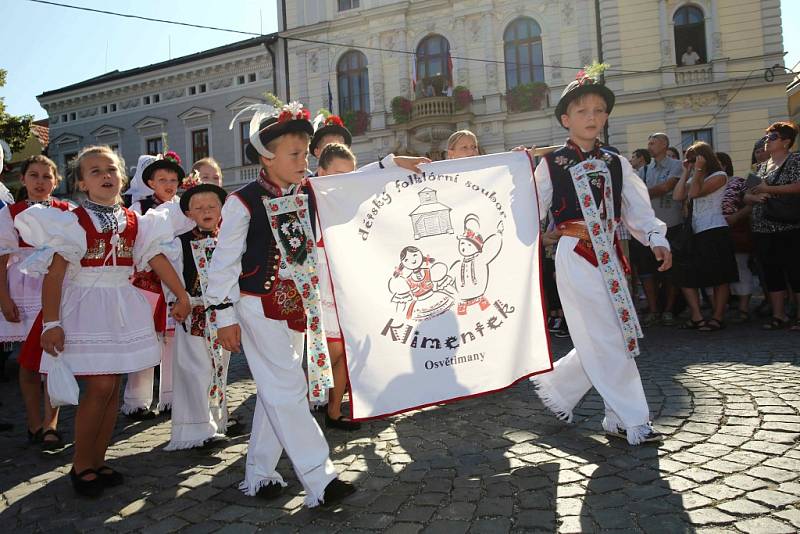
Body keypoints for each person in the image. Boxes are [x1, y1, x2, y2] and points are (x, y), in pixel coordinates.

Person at [14, 145, 190, 497]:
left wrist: (181, 294)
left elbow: (154, 257)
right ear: (81, 182)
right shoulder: (71, 222)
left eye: (110, 169)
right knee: (99, 386)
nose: (105, 175)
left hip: (121, 305)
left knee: (111, 389)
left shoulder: (137, 221)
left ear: (122, 178)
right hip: (85, 307)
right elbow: (54, 275)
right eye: (94, 171)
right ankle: (81, 463)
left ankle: (98, 457)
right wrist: (51, 323)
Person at [206, 102, 355, 506]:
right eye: (295, 154)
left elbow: (354, 186)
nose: (304, 161)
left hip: (296, 307)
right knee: (289, 389)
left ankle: (260, 472)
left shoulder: (309, 191)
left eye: (306, 153)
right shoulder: (243, 201)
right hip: (256, 305)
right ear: (266, 156)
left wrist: (393, 162)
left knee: (278, 390)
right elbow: (222, 264)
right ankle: (320, 479)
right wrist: (223, 316)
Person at [530, 67, 671, 445]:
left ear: (606, 116)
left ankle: (561, 387)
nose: (591, 117)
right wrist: (516, 172)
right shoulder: (551, 164)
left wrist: (656, 238)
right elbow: (529, 209)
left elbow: (636, 209)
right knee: (609, 336)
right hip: (575, 254)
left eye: (598, 110)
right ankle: (633, 418)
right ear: (565, 119)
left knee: (612, 335)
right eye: (581, 111)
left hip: (612, 256)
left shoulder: (615, 161)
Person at [1, 156, 71, 451]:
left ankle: (51, 423)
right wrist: (3, 297)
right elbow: (2, 256)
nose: (40, 181)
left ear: (55, 181)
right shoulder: (10, 212)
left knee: (53, 356)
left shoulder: (67, 211)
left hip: (55, 286)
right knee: (27, 360)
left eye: (46, 176)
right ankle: (34, 422)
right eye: (34, 175)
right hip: (23, 287)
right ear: (24, 180)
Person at [165, 174, 233, 450]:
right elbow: (170, 277)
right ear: (189, 213)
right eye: (199, 207)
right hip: (193, 315)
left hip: (223, 317)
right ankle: (195, 428)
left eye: (212, 206)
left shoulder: (229, 239)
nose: (206, 212)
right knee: (195, 369)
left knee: (219, 367)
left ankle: (217, 420)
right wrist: (179, 300)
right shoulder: (178, 243)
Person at [124, 152, 186, 419]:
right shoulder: (140, 208)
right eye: (162, 179)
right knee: (147, 339)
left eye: (173, 179)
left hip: (176, 279)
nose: (169, 184)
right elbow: (136, 242)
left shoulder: (184, 207)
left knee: (173, 340)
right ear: (150, 182)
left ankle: (171, 399)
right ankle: (137, 400)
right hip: (147, 282)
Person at [312, 143, 361, 431]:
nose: (345, 180)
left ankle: (333, 411)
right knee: (328, 352)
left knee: (344, 350)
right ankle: (309, 405)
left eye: (350, 174)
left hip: (343, 281)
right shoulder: (308, 198)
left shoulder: (351, 203)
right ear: (321, 172)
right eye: (338, 174)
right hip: (319, 283)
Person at [672, 142, 738, 331]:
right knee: (686, 274)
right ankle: (697, 316)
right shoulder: (694, 175)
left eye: (693, 158)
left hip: (714, 229)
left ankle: (717, 317)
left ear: (704, 157)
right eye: (689, 158)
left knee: (720, 276)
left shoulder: (719, 176)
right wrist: (686, 171)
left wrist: (698, 170)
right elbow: (678, 196)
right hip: (694, 232)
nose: (691, 162)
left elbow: (694, 193)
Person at [744, 121, 800, 330]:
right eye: (767, 137)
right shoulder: (760, 166)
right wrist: (753, 198)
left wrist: (770, 189)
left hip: (789, 226)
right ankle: (779, 316)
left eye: (773, 137)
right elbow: (747, 194)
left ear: (786, 142)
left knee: (796, 272)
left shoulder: (796, 160)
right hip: (762, 227)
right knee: (771, 273)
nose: (767, 140)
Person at [631, 133, 684, 327]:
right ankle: (654, 310)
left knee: (671, 272)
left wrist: (643, 193)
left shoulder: (676, 165)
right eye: (649, 142)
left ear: (664, 144)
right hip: (648, 228)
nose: (649, 146)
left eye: (653, 143)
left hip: (672, 225)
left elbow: (666, 187)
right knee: (647, 272)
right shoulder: (644, 170)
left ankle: (669, 310)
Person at [719, 151, 754, 323]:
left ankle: (743, 308)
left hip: (735, 229)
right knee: (717, 271)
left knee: (740, 268)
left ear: (724, 165)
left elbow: (751, 205)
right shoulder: (705, 183)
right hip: (713, 232)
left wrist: (736, 217)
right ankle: (719, 310)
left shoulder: (739, 182)